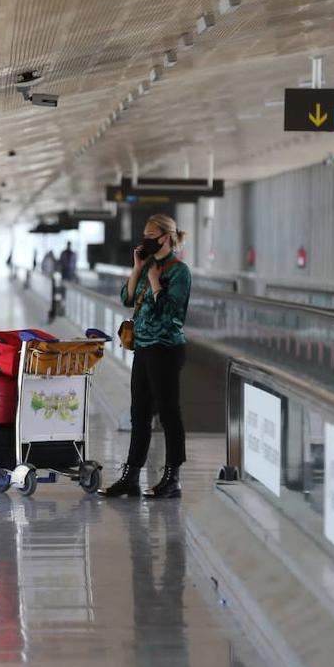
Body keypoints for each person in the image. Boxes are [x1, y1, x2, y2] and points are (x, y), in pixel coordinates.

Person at [100, 214, 192, 499]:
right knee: (139, 414)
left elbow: (172, 315)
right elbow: (127, 299)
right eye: (144, 233)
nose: (146, 239)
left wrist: (155, 282)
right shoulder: (148, 264)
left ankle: (172, 477)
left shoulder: (179, 271)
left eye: (151, 234)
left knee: (168, 413)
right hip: (143, 347)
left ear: (166, 236)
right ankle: (131, 476)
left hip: (166, 349)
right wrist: (138, 270)